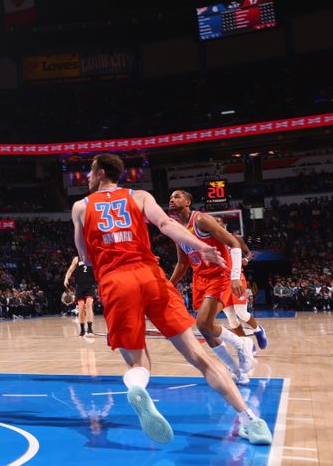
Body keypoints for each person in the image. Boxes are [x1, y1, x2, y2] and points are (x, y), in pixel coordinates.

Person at [71, 153, 271, 445]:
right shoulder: (139, 196)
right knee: (198, 355)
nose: (87, 177)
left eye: (90, 171)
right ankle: (250, 420)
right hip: (151, 276)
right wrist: (201, 246)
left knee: (138, 365)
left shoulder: (80, 207)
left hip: (116, 282)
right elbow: (165, 225)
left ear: (101, 172)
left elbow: (84, 256)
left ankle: (138, 386)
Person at [167, 191, 256, 384]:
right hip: (200, 279)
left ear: (188, 201)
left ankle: (243, 344)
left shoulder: (201, 220)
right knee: (206, 332)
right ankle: (237, 372)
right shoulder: (176, 229)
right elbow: (182, 263)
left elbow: (233, 242)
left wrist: (235, 276)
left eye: (177, 196)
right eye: (170, 197)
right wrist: (169, 285)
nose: (172, 200)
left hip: (220, 275)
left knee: (203, 324)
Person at [215, 219, 269, 349]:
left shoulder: (235, 239)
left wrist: (246, 259)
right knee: (231, 318)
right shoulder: (211, 242)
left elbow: (249, 253)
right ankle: (247, 345)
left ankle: (258, 330)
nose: (217, 225)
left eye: (219, 223)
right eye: (214, 223)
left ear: (224, 225)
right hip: (221, 281)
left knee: (241, 312)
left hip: (236, 277)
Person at [64, 256, 97, 336]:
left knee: (89, 304)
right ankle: (82, 329)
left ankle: (89, 329)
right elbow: (70, 270)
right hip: (80, 286)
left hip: (91, 285)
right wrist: (66, 278)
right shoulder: (76, 258)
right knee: (81, 307)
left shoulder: (93, 256)